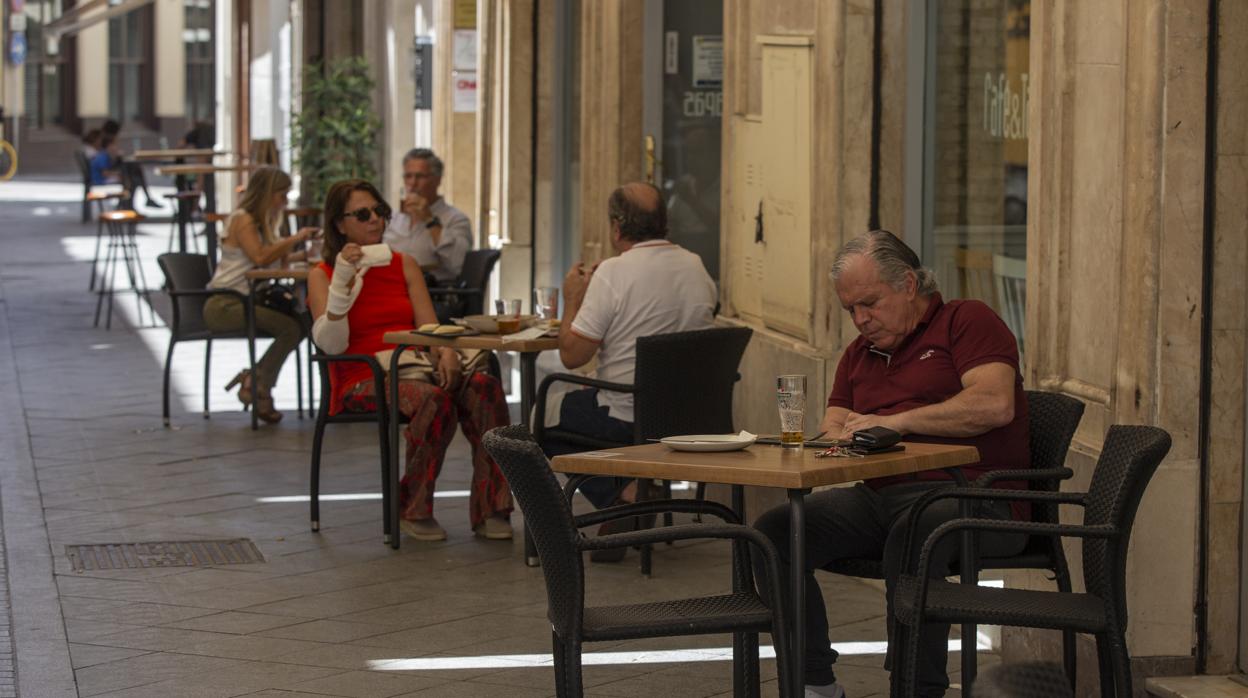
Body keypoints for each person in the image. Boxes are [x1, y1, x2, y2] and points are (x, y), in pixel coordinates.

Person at [753, 230, 1030, 698]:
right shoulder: (860, 354)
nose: (860, 319)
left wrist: (895, 422)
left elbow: (993, 403)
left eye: (869, 303)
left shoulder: (965, 320)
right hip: (883, 495)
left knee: (916, 530)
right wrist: (832, 438)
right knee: (775, 533)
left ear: (907, 283)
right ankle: (815, 682)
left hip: (977, 496)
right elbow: (836, 421)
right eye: (850, 310)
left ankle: (915, 688)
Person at [307, 179, 513, 542]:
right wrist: (343, 282)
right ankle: (412, 506)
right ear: (339, 224)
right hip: (362, 374)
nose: (375, 220)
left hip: (414, 363)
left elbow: (427, 324)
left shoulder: (404, 264)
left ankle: (491, 507)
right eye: (363, 214)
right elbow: (333, 346)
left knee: (485, 388)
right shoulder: (322, 274)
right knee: (432, 401)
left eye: (380, 211)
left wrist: (445, 351)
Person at [540, 182, 717, 560]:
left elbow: (572, 355)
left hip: (626, 414)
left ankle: (624, 495)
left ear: (617, 227)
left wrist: (573, 297)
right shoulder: (696, 266)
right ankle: (631, 491)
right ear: (664, 223)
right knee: (581, 400)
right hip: (689, 415)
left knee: (542, 415)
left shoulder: (614, 274)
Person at [202, 167, 316, 424]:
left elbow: (269, 259)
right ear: (266, 193)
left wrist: (307, 254)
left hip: (244, 300)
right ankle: (258, 383)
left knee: (301, 323)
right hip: (225, 304)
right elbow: (261, 257)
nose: (284, 201)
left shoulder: (262, 221)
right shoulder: (243, 219)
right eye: (281, 194)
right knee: (291, 327)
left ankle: (256, 382)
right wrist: (295, 238)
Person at [382, 148, 473, 284]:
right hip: (390, 286)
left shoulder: (455, 219)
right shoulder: (393, 219)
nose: (412, 183)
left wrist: (429, 220)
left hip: (434, 293)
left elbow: (459, 264)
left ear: (437, 180)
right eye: (408, 176)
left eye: (420, 177)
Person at [101, 119, 160, 209]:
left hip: (112, 170)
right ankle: (131, 205)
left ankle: (130, 205)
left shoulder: (106, 142)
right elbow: (106, 168)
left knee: (136, 172)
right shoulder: (107, 143)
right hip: (106, 175)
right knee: (134, 178)